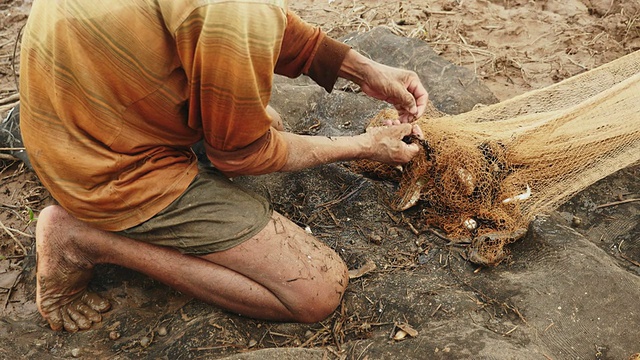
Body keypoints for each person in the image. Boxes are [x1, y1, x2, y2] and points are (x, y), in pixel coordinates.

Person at [20, 0, 428, 332]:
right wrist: (363, 145)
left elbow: (253, 21)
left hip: (78, 115)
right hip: (104, 168)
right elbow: (241, 154)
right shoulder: (234, 13)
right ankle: (81, 239)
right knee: (315, 291)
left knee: (267, 121)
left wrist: (364, 70)